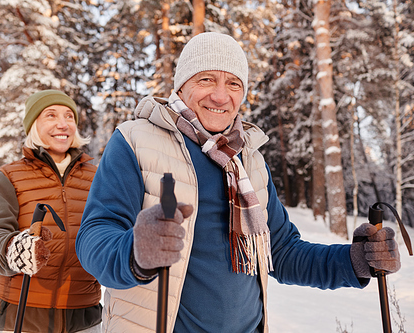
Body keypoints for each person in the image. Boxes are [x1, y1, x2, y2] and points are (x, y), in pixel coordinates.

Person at [75, 32, 401, 332]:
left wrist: (354, 261)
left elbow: (282, 252)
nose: (220, 96)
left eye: (234, 84)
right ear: (180, 86)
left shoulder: (247, 159)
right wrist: (135, 253)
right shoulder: (135, 141)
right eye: (207, 79)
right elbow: (93, 239)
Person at [0, 90, 102, 333]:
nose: (63, 124)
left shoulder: (98, 178)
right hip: (21, 315)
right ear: (34, 124)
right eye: (51, 115)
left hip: (83, 316)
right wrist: (14, 249)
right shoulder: (8, 177)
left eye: (69, 116)